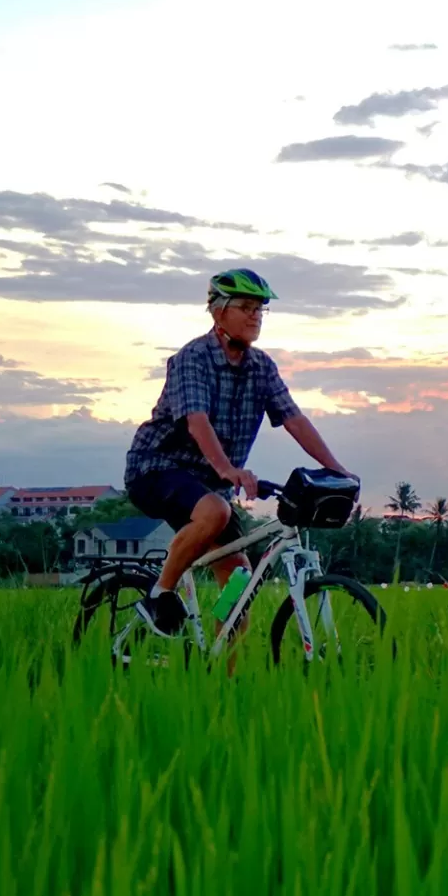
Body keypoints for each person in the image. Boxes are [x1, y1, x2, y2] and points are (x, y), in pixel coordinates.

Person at [123, 268, 355, 637]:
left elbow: (294, 420)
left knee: (238, 583)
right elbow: (196, 421)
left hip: (210, 484)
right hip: (157, 468)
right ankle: (161, 593)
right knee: (215, 509)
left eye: (260, 309)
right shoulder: (193, 358)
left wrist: (338, 469)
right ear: (218, 312)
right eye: (245, 307)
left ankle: (221, 677)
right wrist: (229, 469)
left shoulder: (261, 367)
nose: (254, 316)